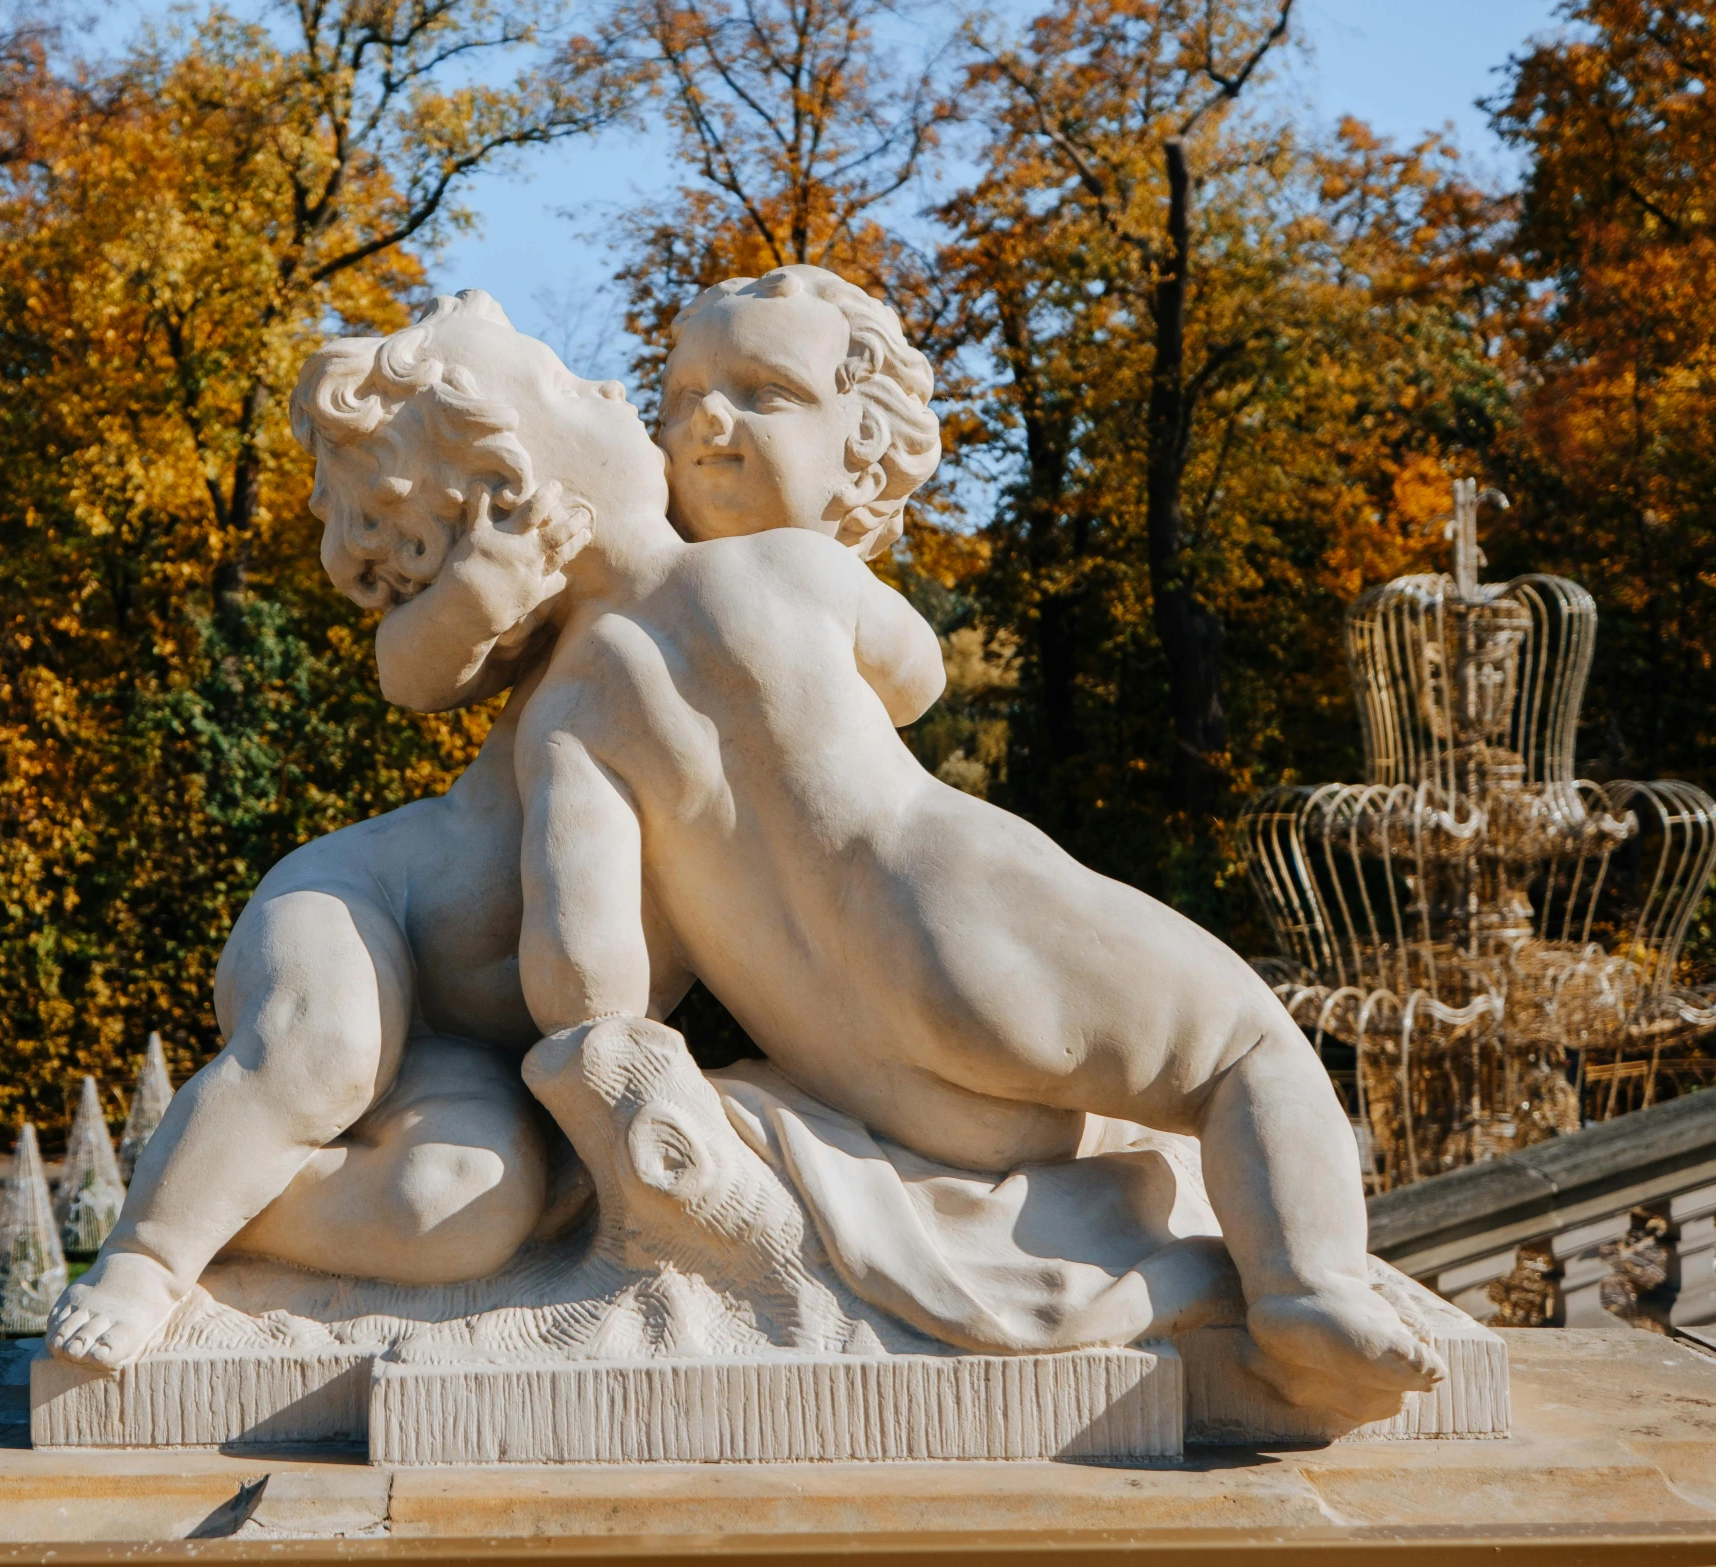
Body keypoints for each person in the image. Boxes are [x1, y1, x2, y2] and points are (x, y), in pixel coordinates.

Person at [280, 282, 1445, 1424]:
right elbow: (916, 674)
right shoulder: (793, 572)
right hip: (959, 918)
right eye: (676, 397)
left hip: (848, 1063)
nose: (699, 423)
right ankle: (1308, 1290)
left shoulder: (564, 716)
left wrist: (613, 1056)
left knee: (1136, 1089)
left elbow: (583, 966)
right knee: (1243, 1049)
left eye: (758, 393)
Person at [46, 273, 945, 1370]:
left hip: (478, 1048)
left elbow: (912, 689)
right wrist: (483, 582)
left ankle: (237, 1187)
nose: (628, 395)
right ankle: (149, 1251)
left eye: (763, 398)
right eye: (593, 390)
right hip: (370, 911)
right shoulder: (583, 571)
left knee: (463, 1206)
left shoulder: (775, 617)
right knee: (323, 1053)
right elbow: (405, 673)